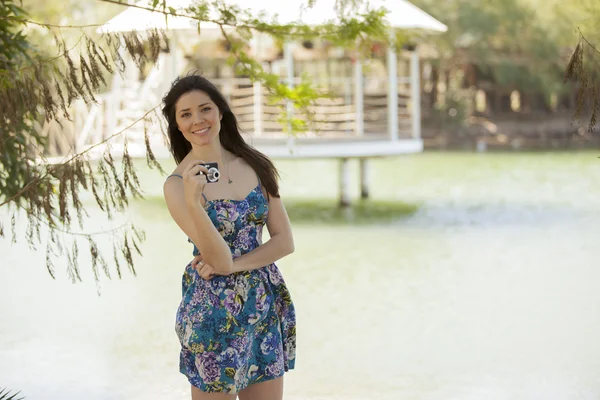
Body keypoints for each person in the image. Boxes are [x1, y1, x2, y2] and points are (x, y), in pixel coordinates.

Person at [161, 73, 297, 400]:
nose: (198, 120)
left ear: (221, 112)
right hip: (212, 312)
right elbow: (217, 259)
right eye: (186, 114)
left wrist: (236, 266)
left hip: (262, 303)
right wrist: (194, 202)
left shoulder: (257, 165)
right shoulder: (177, 186)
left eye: (205, 109)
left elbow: (284, 241)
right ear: (178, 126)